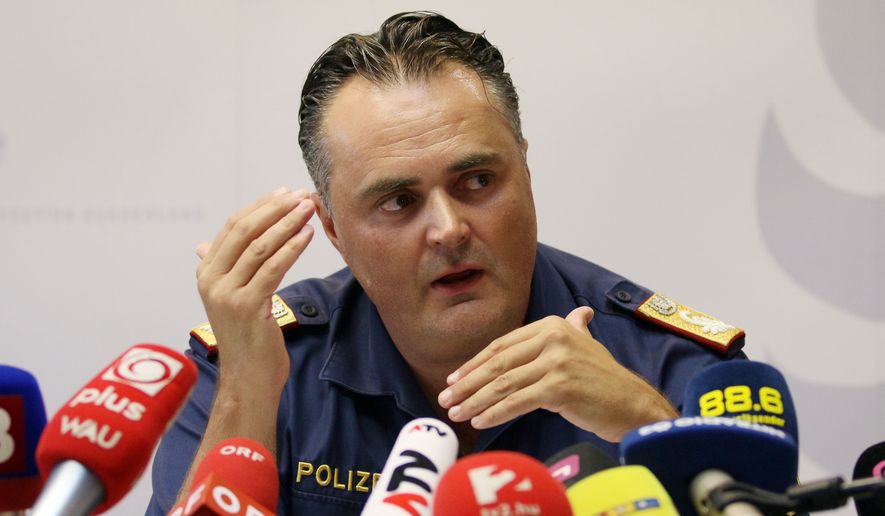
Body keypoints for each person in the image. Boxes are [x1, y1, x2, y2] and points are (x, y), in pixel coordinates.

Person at [147, 11, 745, 515]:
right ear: (332, 230)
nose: (450, 229)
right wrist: (248, 390)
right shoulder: (262, 363)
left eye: (478, 180)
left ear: (527, 173)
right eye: (399, 201)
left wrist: (649, 426)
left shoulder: (673, 366)